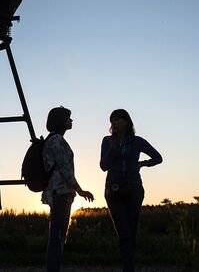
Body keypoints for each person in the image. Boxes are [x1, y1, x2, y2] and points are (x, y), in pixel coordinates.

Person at [100, 109, 162, 272]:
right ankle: (128, 267)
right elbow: (103, 166)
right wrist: (112, 150)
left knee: (131, 232)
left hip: (134, 189)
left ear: (127, 122)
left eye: (118, 119)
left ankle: (129, 267)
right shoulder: (107, 141)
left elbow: (158, 158)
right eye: (112, 120)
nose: (114, 122)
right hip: (113, 190)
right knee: (124, 233)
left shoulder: (137, 141)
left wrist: (142, 164)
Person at [42, 106, 94, 272]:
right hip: (60, 193)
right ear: (61, 121)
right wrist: (80, 189)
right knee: (57, 236)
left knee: (57, 235)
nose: (71, 121)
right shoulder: (57, 141)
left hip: (58, 193)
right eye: (68, 118)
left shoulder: (53, 140)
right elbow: (65, 169)